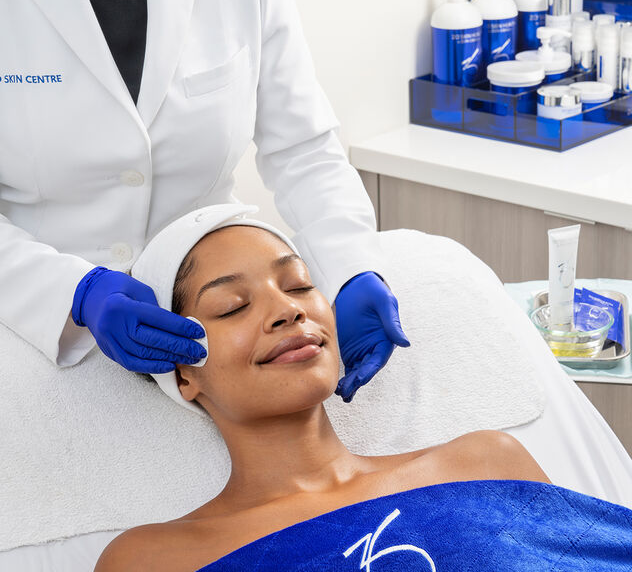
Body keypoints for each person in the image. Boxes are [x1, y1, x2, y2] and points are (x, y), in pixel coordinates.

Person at [93, 210, 632, 571]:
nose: (288, 309)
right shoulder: (152, 557)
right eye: (233, 305)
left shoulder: (484, 461)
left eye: (300, 283)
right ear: (183, 374)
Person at [0, 0, 408, 402]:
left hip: (212, 285)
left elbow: (303, 147)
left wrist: (352, 266)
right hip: (36, 310)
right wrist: (73, 292)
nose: (290, 313)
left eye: (295, 286)